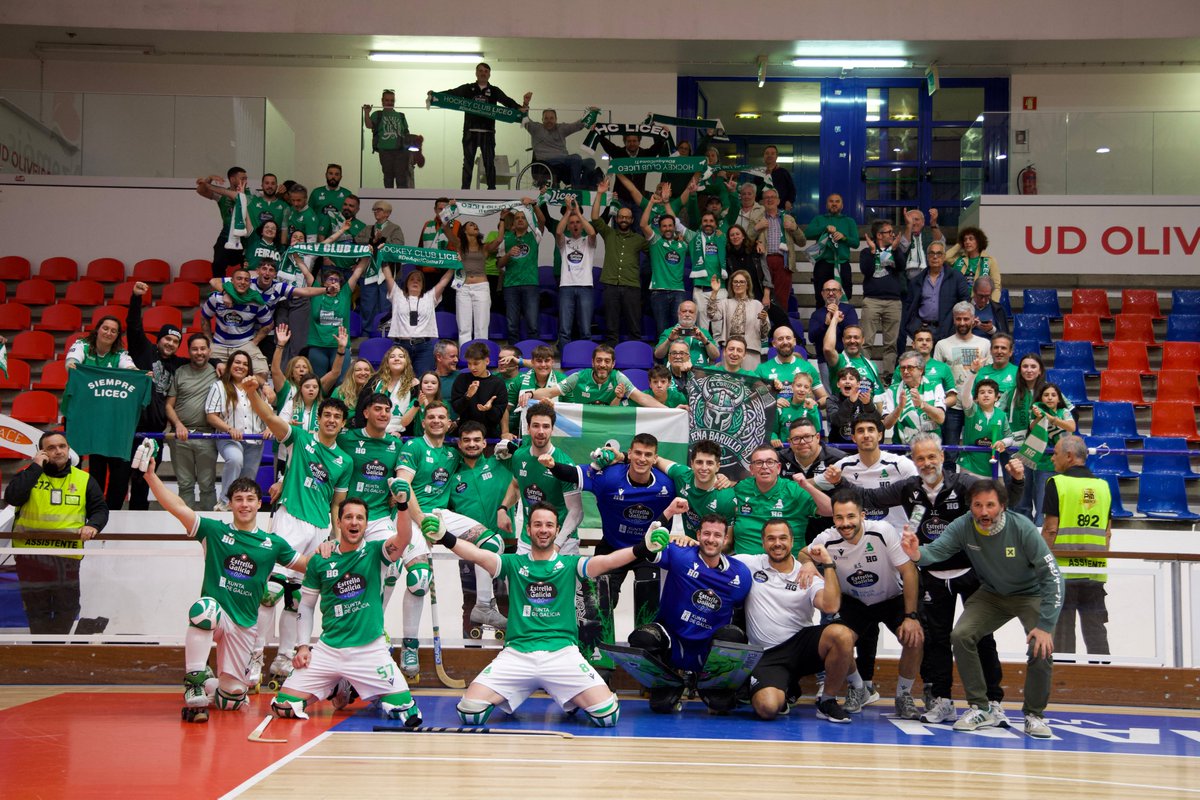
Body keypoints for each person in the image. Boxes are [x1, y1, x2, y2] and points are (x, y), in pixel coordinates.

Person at [838, 433, 1022, 726]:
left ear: (942, 457)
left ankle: (993, 702)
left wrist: (1018, 481)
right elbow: (869, 497)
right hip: (932, 575)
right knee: (935, 640)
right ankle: (942, 701)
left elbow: (998, 502)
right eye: (920, 458)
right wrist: (839, 481)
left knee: (982, 638)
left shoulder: (964, 484)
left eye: (931, 456)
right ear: (914, 460)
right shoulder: (909, 488)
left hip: (970, 572)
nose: (926, 463)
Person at [429, 502, 664, 729]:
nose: (544, 530)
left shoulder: (570, 564)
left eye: (549, 525)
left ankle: (570, 696)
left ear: (557, 530)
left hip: (562, 654)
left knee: (607, 717)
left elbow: (608, 561)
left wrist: (643, 547)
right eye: (538, 525)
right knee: (470, 712)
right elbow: (477, 555)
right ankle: (514, 692)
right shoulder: (513, 563)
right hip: (517, 654)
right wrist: (445, 535)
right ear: (529, 529)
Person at [142, 461, 312, 723]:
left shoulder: (273, 544)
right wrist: (152, 477)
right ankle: (195, 680)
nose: (244, 504)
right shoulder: (214, 531)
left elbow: (307, 565)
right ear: (230, 504)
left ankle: (212, 681)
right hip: (218, 612)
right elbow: (178, 507)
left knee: (231, 700)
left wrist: (334, 553)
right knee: (203, 609)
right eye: (239, 499)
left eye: (250, 499)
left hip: (244, 624)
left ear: (259, 504)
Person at [900, 479, 1063, 738]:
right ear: (970, 507)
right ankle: (980, 707)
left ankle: (1034, 714)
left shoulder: (1023, 528)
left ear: (1002, 507)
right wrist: (916, 553)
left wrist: (1045, 626)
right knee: (961, 635)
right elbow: (936, 551)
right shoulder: (964, 525)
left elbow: (1053, 576)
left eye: (990, 505)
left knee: (1040, 646)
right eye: (978, 505)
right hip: (992, 594)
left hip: (1030, 594)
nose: (984, 512)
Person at [271, 497, 421, 723]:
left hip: (369, 650)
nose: (354, 522)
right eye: (348, 517)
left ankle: (360, 686)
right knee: (283, 708)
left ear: (366, 524)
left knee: (405, 712)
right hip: (328, 650)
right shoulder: (321, 560)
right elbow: (306, 606)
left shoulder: (375, 552)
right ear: (339, 523)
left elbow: (404, 537)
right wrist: (303, 646)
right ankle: (338, 685)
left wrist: (402, 505)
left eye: (360, 517)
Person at [245, 380, 352, 690]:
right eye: (327, 415)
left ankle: (284, 658)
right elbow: (270, 419)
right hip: (290, 520)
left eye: (337, 417)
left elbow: (337, 504)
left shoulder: (345, 462)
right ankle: (254, 658)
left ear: (342, 424)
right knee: (269, 594)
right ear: (318, 418)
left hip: (319, 530)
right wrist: (253, 393)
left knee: (298, 598)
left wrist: (334, 535)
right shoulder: (301, 438)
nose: (331, 420)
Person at [539, 434, 677, 668]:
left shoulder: (667, 485)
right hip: (613, 546)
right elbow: (574, 474)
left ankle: (650, 664)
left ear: (655, 458)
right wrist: (552, 466)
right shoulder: (609, 477)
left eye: (648, 455)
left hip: (649, 551)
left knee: (649, 601)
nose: (642, 459)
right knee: (597, 600)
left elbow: (699, 486)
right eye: (638, 453)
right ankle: (599, 664)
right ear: (629, 454)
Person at [336, 394, 432, 679]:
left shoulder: (396, 444)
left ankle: (378, 628)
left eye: (387, 410)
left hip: (378, 517)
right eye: (377, 408)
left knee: (396, 565)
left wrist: (396, 496)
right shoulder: (347, 439)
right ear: (365, 411)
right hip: (350, 516)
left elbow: (400, 478)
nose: (383, 414)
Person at [397, 401, 507, 646]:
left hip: (440, 515)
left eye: (441, 417)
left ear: (449, 424)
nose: (436, 421)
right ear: (423, 422)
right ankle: (409, 646)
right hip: (412, 516)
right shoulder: (413, 446)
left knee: (492, 543)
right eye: (431, 417)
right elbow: (403, 487)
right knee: (419, 580)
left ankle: (483, 606)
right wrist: (421, 519)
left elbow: (478, 458)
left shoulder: (452, 455)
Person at [808, 488, 924, 719]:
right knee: (837, 637)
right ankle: (859, 688)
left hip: (891, 598)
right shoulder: (827, 538)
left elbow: (909, 571)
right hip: (855, 602)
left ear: (862, 516)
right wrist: (808, 564)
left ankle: (903, 695)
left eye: (851, 516)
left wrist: (911, 616)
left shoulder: (883, 531)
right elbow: (804, 553)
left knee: (914, 637)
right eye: (839, 518)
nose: (845, 523)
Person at [627, 505, 753, 714]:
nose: (711, 539)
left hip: (709, 647)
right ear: (698, 535)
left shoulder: (740, 574)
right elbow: (648, 548)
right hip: (673, 638)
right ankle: (669, 686)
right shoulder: (680, 554)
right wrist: (663, 517)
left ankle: (711, 686)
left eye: (717, 535)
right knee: (642, 638)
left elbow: (739, 609)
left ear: (725, 539)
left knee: (734, 635)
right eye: (706, 533)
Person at [741, 520, 854, 723]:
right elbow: (713, 556)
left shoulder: (806, 572)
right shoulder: (749, 563)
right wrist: (686, 540)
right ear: (763, 542)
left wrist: (827, 564)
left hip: (802, 647)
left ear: (792, 542)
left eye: (783, 538)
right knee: (767, 708)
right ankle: (788, 688)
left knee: (842, 634)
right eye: (771, 538)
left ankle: (827, 701)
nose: (777, 543)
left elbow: (831, 606)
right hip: (768, 654)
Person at [6, 431, 107, 635]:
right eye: (51, 448)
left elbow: (100, 509)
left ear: (69, 449)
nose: (58, 451)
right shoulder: (29, 474)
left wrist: (93, 525)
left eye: (62, 446)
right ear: (42, 452)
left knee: (68, 609)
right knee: (36, 611)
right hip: (31, 557)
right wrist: (36, 467)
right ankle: (43, 654)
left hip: (67, 557)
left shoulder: (84, 479)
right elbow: (13, 498)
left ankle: (53, 649)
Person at [1042, 435, 1112, 659]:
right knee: (1096, 633)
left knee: (1062, 636)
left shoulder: (1057, 483)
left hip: (1063, 574)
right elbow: (1107, 533)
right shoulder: (1103, 487)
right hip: (1094, 573)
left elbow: (1051, 530)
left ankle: (1065, 686)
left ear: (1069, 456)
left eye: (1056, 453)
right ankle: (1103, 682)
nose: (1052, 458)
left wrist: (1042, 567)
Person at [63, 314, 140, 509]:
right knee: (73, 459)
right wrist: (72, 365)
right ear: (97, 329)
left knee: (105, 465)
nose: (109, 333)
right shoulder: (82, 345)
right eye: (105, 328)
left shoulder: (120, 354)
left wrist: (140, 375)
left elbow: (130, 369)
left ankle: (108, 509)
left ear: (117, 336)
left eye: (114, 331)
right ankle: (74, 504)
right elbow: (71, 362)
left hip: (108, 419)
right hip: (81, 415)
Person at [125, 282, 187, 510]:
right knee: (124, 477)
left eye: (175, 341)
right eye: (167, 339)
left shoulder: (177, 364)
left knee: (146, 477)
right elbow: (133, 326)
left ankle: (137, 518)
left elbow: (199, 362)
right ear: (159, 339)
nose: (170, 343)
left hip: (155, 432)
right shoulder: (143, 349)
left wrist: (218, 363)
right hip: (131, 427)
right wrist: (136, 298)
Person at [497, 402, 584, 554]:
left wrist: (557, 545)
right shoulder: (518, 456)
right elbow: (516, 486)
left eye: (546, 426)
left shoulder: (564, 463)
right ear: (528, 428)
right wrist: (503, 509)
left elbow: (576, 512)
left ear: (552, 429)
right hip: (528, 540)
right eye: (536, 426)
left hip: (562, 542)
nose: (541, 431)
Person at [822, 413, 919, 532]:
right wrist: (798, 481)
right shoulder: (842, 466)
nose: (866, 435)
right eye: (861, 431)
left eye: (871, 430)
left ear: (879, 435)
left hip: (897, 536)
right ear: (853, 438)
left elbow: (922, 499)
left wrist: (913, 529)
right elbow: (814, 485)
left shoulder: (901, 464)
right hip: (858, 537)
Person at [441, 62, 531, 190]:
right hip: (470, 132)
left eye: (486, 71)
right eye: (481, 71)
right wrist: (436, 95)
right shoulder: (468, 88)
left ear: (489, 74)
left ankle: (492, 190)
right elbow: (452, 93)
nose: (483, 73)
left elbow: (507, 101)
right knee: (468, 163)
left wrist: (520, 107)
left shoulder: (494, 90)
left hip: (488, 132)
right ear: (476, 73)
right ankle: (465, 191)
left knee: (489, 163)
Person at [731, 444, 831, 557]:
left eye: (770, 462)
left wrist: (808, 487)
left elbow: (830, 510)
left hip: (787, 565)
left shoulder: (794, 490)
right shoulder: (741, 488)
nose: (764, 466)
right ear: (751, 469)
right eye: (758, 462)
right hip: (746, 565)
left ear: (778, 468)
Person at [205, 351, 272, 511]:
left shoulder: (255, 388)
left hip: (254, 440)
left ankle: (242, 509)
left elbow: (267, 412)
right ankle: (224, 502)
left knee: (247, 479)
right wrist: (229, 429)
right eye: (237, 362)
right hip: (228, 438)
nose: (240, 366)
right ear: (229, 365)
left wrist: (269, 427)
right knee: (235, 459)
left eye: (245, 364)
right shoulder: (219, 386)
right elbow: (211, 416)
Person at [934, 301, 994, 469]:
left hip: (976, 407)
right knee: (949, 451)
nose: (962, 323)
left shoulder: (984, 344)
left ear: (974, 319)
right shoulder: (942, 345)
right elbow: (937, 376)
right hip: (952, 406)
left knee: (976, 449)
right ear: (953, 320)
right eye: (958, 319)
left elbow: (988, 376)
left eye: (966, 319)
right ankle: (949, 489)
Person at [166, 334, 220, 511]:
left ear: (209, 351)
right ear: (189, 351)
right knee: (185, 484)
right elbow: (168, 406)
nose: (199, 353)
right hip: (181, 437)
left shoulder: (217, 372)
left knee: (207, 485)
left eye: (203, 349)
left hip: (207, 436)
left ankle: (208, 530)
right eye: (195, 349)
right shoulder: (180, 372)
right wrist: (178, 424)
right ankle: (186, 530)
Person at [592, 180, 648, 343]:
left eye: (627, 217)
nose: (624, 219)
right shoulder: (609, 234)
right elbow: (595, 218)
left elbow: (656, 249)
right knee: (611, 328)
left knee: (634, 328)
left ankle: (635, 359)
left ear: (632, 221)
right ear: (617, 219)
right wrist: (600, 193)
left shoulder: (639, 239)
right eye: (621, 217)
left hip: (632, 287)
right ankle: (611, 361)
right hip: (610, 286)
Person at [778, 418, 848, 545]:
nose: (802, 442)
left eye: (807, 437)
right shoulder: (779, 460)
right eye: (796, 438)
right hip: (791, 528)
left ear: (817, 437)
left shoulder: (839, 459)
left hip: (830, 529)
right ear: (789, 442)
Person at [200, 266, 273, 379]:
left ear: (250, 283)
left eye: (246, 280)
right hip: (219, 345)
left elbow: (268, 324)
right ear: (232, 281)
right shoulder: (217, 298)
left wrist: (254, 342)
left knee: (262, 374)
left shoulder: (256, 302)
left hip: (245, 344)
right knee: (205, 377)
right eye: (239, 278)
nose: (243, 282)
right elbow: (204, 318)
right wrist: (209, 342)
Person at [1020, 382, 1077, 525]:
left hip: (1065, 464)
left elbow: (1072, 426)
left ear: (1059, 399)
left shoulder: (1064, 412)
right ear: (1041, 398)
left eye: (1053, 395)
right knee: (1042, 504)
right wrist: (1040, 417)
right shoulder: (1036, 411)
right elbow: (1032, 428)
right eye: (1046, 395)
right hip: (1043, 463)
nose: (1050, 398)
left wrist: (1053, 419)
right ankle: (1040, 528)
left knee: (1065, 501)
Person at [533, 345, 663, 408]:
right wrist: (530, 394)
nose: (602, 365)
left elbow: (643, 399)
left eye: (607, 361)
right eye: (599, 360)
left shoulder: (618, 378)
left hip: (607, 425)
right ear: (592, 362)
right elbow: (550, 392)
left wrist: (672, 411)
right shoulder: (578, 377)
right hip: (582, 424)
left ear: (613, 364)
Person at [655, 439, 736, 539]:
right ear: (692, 464)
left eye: (710, 463)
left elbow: (727, 543)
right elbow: (656, 459)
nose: (704, 468)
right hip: (687, 544)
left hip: (711, 550)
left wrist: (695, 545)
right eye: (699, 462)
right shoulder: (682, 475)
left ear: (717, 466)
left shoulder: (726, 498)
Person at [383, 265, 454, 376]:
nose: (415, 281)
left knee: (423, 381)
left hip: (424, 348)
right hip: (401, 347)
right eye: (412, 279)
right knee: (399, 381)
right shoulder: (397, 295)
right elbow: (389, 277)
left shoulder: (430, 297)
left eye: (419, 280)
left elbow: (443, 282)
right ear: (406, 283)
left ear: (423, 285)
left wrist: (453, 266)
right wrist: (383, 258)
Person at [858, 219, 906, 376]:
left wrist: (895, 249)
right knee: (866, 342)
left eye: (892, 232)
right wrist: (873, 252)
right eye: (889, 232)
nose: (892, 234)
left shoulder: (895, 250)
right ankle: (865, 374)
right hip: (872, 301)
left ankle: (888, 375)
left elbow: (901, 267)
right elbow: (866, 270)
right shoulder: (866, 252)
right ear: (879, 235)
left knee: (891, 343)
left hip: (893, 302)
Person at [747, 188, 806, 312]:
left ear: (778, 201)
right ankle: (763, 327)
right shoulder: (757, 219)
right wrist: (757, 228)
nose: (769, 200)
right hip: (764, 262)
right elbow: (746, 242)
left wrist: (794, 228)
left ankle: (780, 328)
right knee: (762, 298)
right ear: (762, 202)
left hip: (783, 263)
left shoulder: (788, 218)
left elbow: (802, 242)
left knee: (781, 299)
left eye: (772, 197)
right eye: (766, 197)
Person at [638, 196, 689, 336]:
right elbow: (643, 225)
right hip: (658, 292)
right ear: (660, 229)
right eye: (664, 226)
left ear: (674, 227)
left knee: (679, 331)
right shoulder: (656, 242)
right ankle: (662, 358)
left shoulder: (683, 245)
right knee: (662, 331)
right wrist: (651, 203)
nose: (668, 228)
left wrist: (667, 204)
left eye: (670, 225)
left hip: (678, 291)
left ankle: (677, 357)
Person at [901, 242, 969, 345]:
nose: (935, 257)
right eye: (932, 253)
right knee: (923, 361)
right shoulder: (917, 280)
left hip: (948, 331)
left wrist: (953, 325)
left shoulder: (956, 277)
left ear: (944, 256)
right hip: (923, 331)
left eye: (939, 253)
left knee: (944, 361)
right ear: (927, 257)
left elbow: (965, 302)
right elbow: (909, 306)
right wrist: (914, 327)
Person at [498, 199, 546, 341]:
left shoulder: (534, 236)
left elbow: (542, 221)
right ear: (512, 223)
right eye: (517, 218)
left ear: (528, 222)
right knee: (512, 325)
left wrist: (534, 205)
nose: (520, 220)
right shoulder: (505, 239)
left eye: (523, 218)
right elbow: (499, 264)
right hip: (510, 285)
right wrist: (508, 254)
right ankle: (513, 355)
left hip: (530, 284)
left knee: (532, 324)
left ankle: (535, 354)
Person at [307, 263, 366, 380]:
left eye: (337, 280)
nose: (334, 282)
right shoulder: (316, 293)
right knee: (318, 383)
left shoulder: (345, 294)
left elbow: (357, 273)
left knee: (341, 383)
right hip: (318, 346)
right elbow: (306, 273)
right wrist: (296, 255)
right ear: (324, 283)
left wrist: (367, 256)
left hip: (340, 346)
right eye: (330, 279)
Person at [355, 200, 407, 332]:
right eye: (375, 209)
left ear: (387, 213)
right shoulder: (368, 229)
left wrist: (382, 239)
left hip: (387, 273)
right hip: (369, 272)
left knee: (385, 306)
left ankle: (383, 333)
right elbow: (357, 240)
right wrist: (371, 241)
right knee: (367, 305)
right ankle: (366, 333)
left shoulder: (395, 228)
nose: (376, 212)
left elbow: (398, 245)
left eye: (379, 209)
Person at [449, 219, 504, 344]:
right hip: (463, 287)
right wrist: (449, 212)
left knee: (482, 326)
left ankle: (480, 357)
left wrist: (501, 220)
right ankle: (464, 356)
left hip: (481, 287)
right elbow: (447, 230)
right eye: (471, 224)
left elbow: (499, 240)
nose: (475, 226)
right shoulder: (459, 244)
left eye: (476, 224)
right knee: (464, 327)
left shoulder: (484, 247)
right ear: (464, 230)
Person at [554, 197, 598, 351]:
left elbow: (592, 232)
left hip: (585, 287)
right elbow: (558, 231)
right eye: (572, 223)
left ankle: (586, 358)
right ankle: (566, 358)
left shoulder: (588, 241)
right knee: (565, 329)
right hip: (566, 287)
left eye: (577, 222)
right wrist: (568, 212)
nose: (575, 225)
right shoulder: (564, 241)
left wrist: (578, 213)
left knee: (585, 329)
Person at [880, 351, 946, 444]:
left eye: (910, 368)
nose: (905, 371)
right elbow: (886, 425)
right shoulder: (893, 390)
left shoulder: (935, 386)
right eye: (902, 368)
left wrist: (922, 404)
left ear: (921, 370)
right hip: (902, 448)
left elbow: (940, 418)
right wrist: (899, 408)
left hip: (930, 447)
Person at [195, 166, 250, 279]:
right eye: (242, 178)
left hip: (246, 238)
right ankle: (220, 291)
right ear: (232, 179)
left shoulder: (251, 194)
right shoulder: (222, 195)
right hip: (226, 236)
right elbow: (200, 191)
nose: (245, 181)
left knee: (247, 266)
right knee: (217, 264)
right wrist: (209, 178)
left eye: (246, 178)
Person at [804, 193, 859, 306]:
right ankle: (822, 322)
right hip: (823, 264)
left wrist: (844, 237)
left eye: (837, 201)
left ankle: (841, 321)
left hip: (842, 264)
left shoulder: (849, 221)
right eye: (831, 201)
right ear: (826, 205)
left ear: (842, 205)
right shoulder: (819, 219)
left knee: (845, 296)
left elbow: (856, 243)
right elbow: (807, 234)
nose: (834, 204)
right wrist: (825, 228)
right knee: (821, 298)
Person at [708, 270, 769, 369]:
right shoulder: (725, 303)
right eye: (735, 282)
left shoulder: (757, 304)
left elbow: (764, 333)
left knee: (749, 382)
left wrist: (763, 321)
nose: (738, 284)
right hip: (730, 351)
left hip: (751, 351)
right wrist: (714, 293)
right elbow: (712, 316)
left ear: (747, 285)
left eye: (741, 282)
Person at [523, 107, 597, 189]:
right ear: (542, 119)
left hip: (565, 160)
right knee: (576, 158)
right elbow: (525, 120)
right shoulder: (536, 128)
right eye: (546, 118)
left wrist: (590, 113)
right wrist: (525, 104)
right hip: (546, 161)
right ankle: (576, 189)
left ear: (556, 119)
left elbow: (577, 125)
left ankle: (584, 187)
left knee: (590, 162)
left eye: (551, 118)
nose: (549, 121)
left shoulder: (561, 128)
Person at [809, 279, 860, 391]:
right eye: (827, 290)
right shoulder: (816, 314)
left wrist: (837, 319)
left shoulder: (849, 310)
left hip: (847, 358)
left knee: (849, 391)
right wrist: (826, 324)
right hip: (825, 360)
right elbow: (811, 337)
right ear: (822, 294)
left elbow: (853, 333)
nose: (831, 293)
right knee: (829, 394)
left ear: (840, 293)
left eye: (834, 290)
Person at [451, 341, 509, 439]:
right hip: (464, 432)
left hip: (489, 434)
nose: (472, 367)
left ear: (487, 361)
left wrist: (489, 409)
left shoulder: (498, 383)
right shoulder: (462, 379)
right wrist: (467, 396)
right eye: (469, 363)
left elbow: (498, 416)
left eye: (476, 363)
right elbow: (457, 409)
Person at [958, 379, 1014, 478]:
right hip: (969, 466)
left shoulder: (1001, 415)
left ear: (996, 397)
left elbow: (1010, 437)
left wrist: (1003, 443)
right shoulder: (972, 410)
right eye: (982, 392)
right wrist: (973, 372)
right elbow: (965, 395)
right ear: (976, 398)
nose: (986, 395)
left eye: (990, 392)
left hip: (991, 467)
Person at [506, 345, 564, 430]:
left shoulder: (563, 380)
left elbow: (571, 407)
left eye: (547, 361)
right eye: (539, 361)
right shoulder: (519, 381)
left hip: (558, 430)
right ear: (532, 362)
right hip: (524, 430)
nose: (543, 365)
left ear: (553, 362)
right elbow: (506, 409)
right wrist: (505, 432)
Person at [363, 90, 412, 189]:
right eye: (387, 100)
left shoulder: (401, 116)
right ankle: (388, 198)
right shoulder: (378, 114)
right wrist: (367, 113)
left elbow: (406, 133)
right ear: (382, 101)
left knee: (401, 177)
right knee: (388, 176)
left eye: (392, 100)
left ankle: (402, 199)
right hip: (385, 150)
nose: (389, 102)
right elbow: (369, 125)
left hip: (400, 150)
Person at [823, 319, 881, 401]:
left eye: (856, 337)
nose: (852, 341)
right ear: (843, 340)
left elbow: (879, 397)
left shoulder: (871, 365)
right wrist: (834, 320)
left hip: (867, 412)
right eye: (848, 337)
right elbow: (828, 348)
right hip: (843, 411)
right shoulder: (839, 360)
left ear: (863, 340)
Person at [654, 300, 720, 366]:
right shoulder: (669, 332)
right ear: (678, 313)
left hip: (700, 373)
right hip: (675, 373)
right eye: (684, 311)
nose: (687, 314)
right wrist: (669, 340)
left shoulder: (703, 333)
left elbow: (715, 356)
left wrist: (705, 341)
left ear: (695, 315)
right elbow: (658, 355)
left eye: (691, 312)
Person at [895, 208, 945, 291]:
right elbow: (903, 248)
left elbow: (941, 244)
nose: (913, 223)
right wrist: (909, 226)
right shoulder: (902, 235)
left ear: (923, 222)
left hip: (929, 277)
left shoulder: (930, 233)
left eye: (916, 219)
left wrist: (933, 223)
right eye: (910, 220)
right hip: (908, 281)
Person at [946, 226, 1002, 299]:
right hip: (959, 301)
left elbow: (996, 286)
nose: (967, 242)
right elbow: (945, 258)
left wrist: (994, 305)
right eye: (965, 240)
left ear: (979, 241)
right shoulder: (959, 259)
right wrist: (959, 244)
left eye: (971, 239)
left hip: (980, 302)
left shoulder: (990, 260)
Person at [823, 367, 874, 446]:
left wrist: (868, 404)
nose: (847, 382)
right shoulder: (832, 400)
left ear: (858, 384)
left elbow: (874, 421)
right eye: (843, 379)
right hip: (837, 447)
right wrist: (850, 401)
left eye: (851, 379)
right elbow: (836, 421)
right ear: (838, 384)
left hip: (859, 446)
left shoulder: (863, 399)